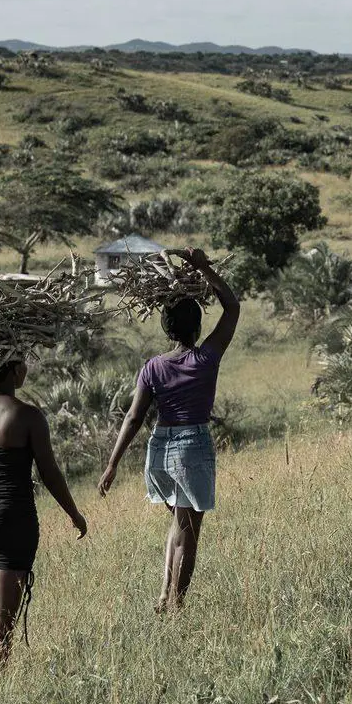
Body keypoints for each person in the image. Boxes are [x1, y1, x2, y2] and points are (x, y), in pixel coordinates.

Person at [98, 248, 240, 612]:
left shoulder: (153, 367)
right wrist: (202, 266)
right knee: (189, 535)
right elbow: (232, 307)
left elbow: (133, 418)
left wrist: (113, 464)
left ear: (166, 329)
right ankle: (175, 603)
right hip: (192, 448)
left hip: (159, 450)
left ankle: (165, 594)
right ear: (196, 328)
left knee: (179, 526)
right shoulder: (205, 358)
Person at [0, 357, 88, 683]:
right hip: (9, 521)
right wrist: (74, 514)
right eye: (22, 363)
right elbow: (49, 473)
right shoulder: (27, 416)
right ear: (13, 370)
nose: (26, 369)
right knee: (1, 615)